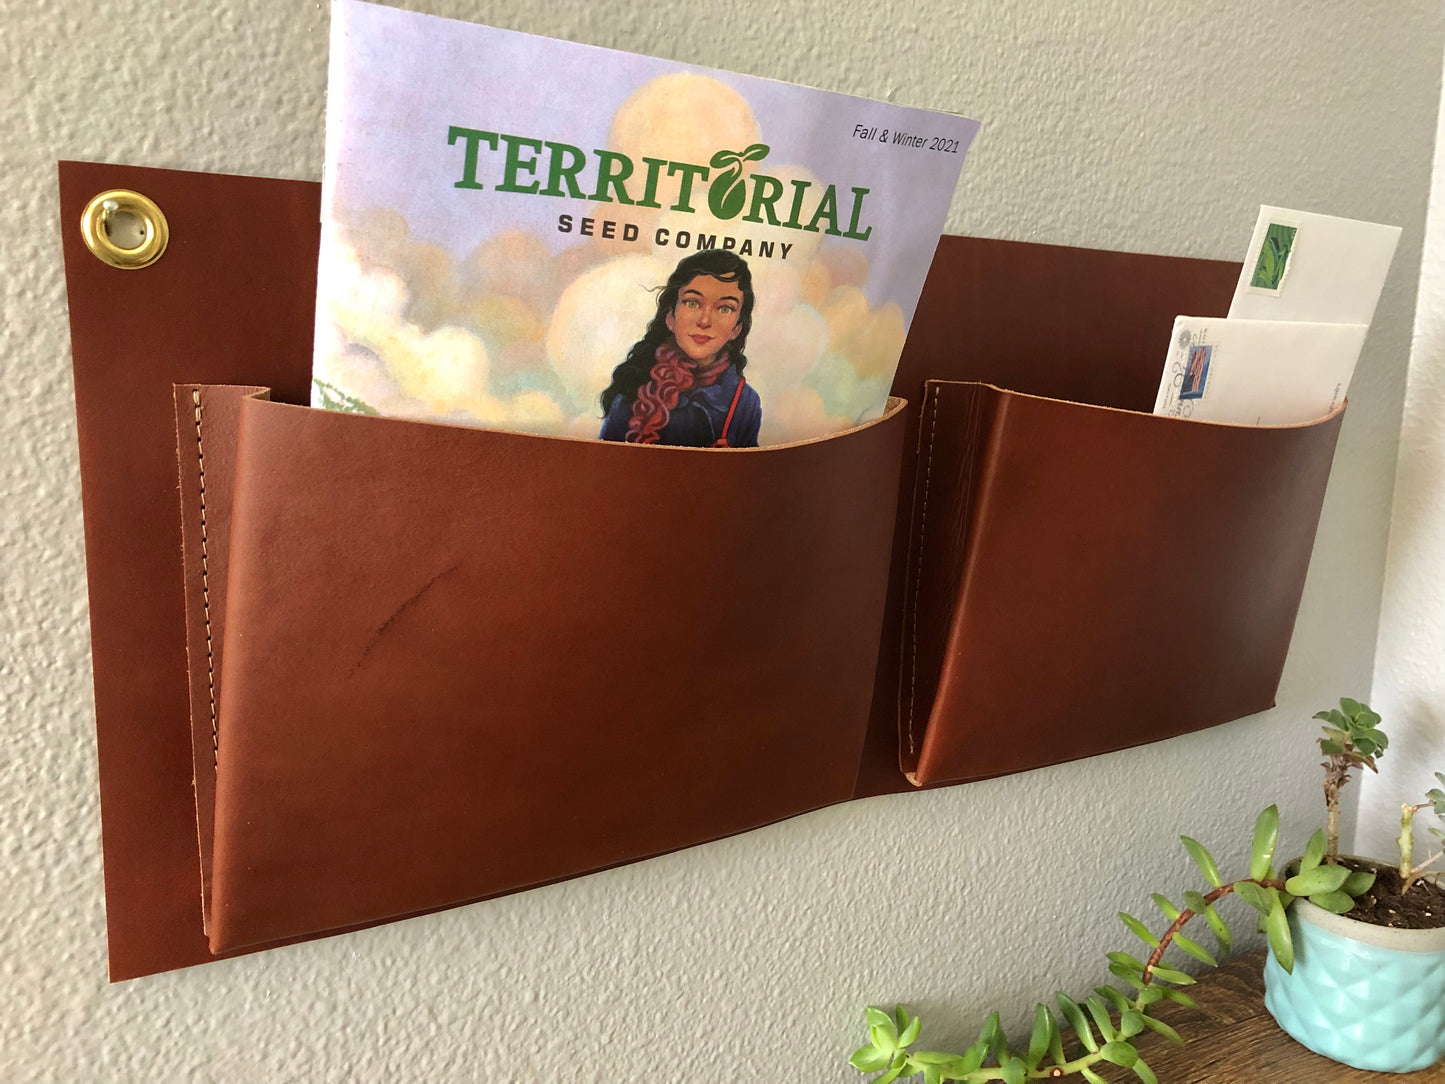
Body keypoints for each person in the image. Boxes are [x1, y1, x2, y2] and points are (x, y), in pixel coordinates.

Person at [599, 250, 762, 447]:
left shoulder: (744, 401)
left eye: (724, 308)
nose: (704, 321)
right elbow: (603, 466)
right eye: (692, 303)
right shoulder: (635, 384)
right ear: (670, 317)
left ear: (737, 328)